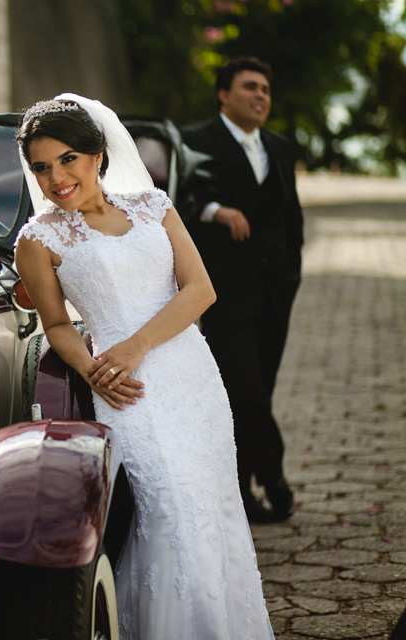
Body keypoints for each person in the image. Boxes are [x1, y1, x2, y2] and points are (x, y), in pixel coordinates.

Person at [14, 93, 274, 639]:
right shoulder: (38, 240)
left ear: (97, 155)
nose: (56, 177)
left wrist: (136, 344)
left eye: (67, 159)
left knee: (216, 507)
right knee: (167, 512)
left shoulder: (152, 206)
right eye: (41, 167)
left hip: (191, 376)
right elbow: (57, 326)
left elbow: (200, 289)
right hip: (126, 389)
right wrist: (93, 370)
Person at [181, 56, 303, 523]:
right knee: (243, 391)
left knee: (260, 391)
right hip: (224, 290)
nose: (261, 96)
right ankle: (266, 479)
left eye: (266, 89)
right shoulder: (194, 141)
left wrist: (291, 271)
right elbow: (172, 201)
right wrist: (216, 210)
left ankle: (247, 485)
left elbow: (291, 218)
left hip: (275, 290)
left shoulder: (279, 147)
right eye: (250, 86)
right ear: (223, 94)